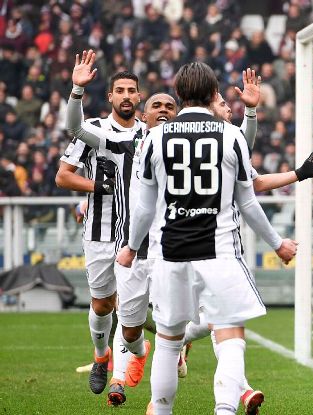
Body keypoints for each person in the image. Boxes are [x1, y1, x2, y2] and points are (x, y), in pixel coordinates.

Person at [116, 62, 297, 415]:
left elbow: (143, 207)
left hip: (170, 253)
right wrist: (277, 243)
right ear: (214, 93)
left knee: (168, 343)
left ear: (180, 94)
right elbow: (247, 201)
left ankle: (163, 409)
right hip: (220, 253)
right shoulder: (231, 136)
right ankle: (225, 410)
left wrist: (131, 248)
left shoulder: (154, 138)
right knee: (230, 337)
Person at [179, 69, 313, 413]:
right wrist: (278, 242)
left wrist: (298, 172)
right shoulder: (201, 139)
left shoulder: (208, 139)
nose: (228, 106)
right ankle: (223, 390)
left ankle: (234, 388)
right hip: (212, 245)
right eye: (222, 101)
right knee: (222, 323)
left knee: (210, 322)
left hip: (180, 247)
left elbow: (249, 175)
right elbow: (249, 193)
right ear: (207, 101)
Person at [57, 51, 144, 399]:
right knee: (102, 304)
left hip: (136, 237)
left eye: (131, 90)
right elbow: (63, 177)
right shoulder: (93, 129)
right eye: (119, 90)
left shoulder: (150, 134)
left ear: (139, 96)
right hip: (99, 231)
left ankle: (118, 380)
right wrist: (96, 186)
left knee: (128, 306)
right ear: (110, 96)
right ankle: (101, 356)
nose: (126, 96)